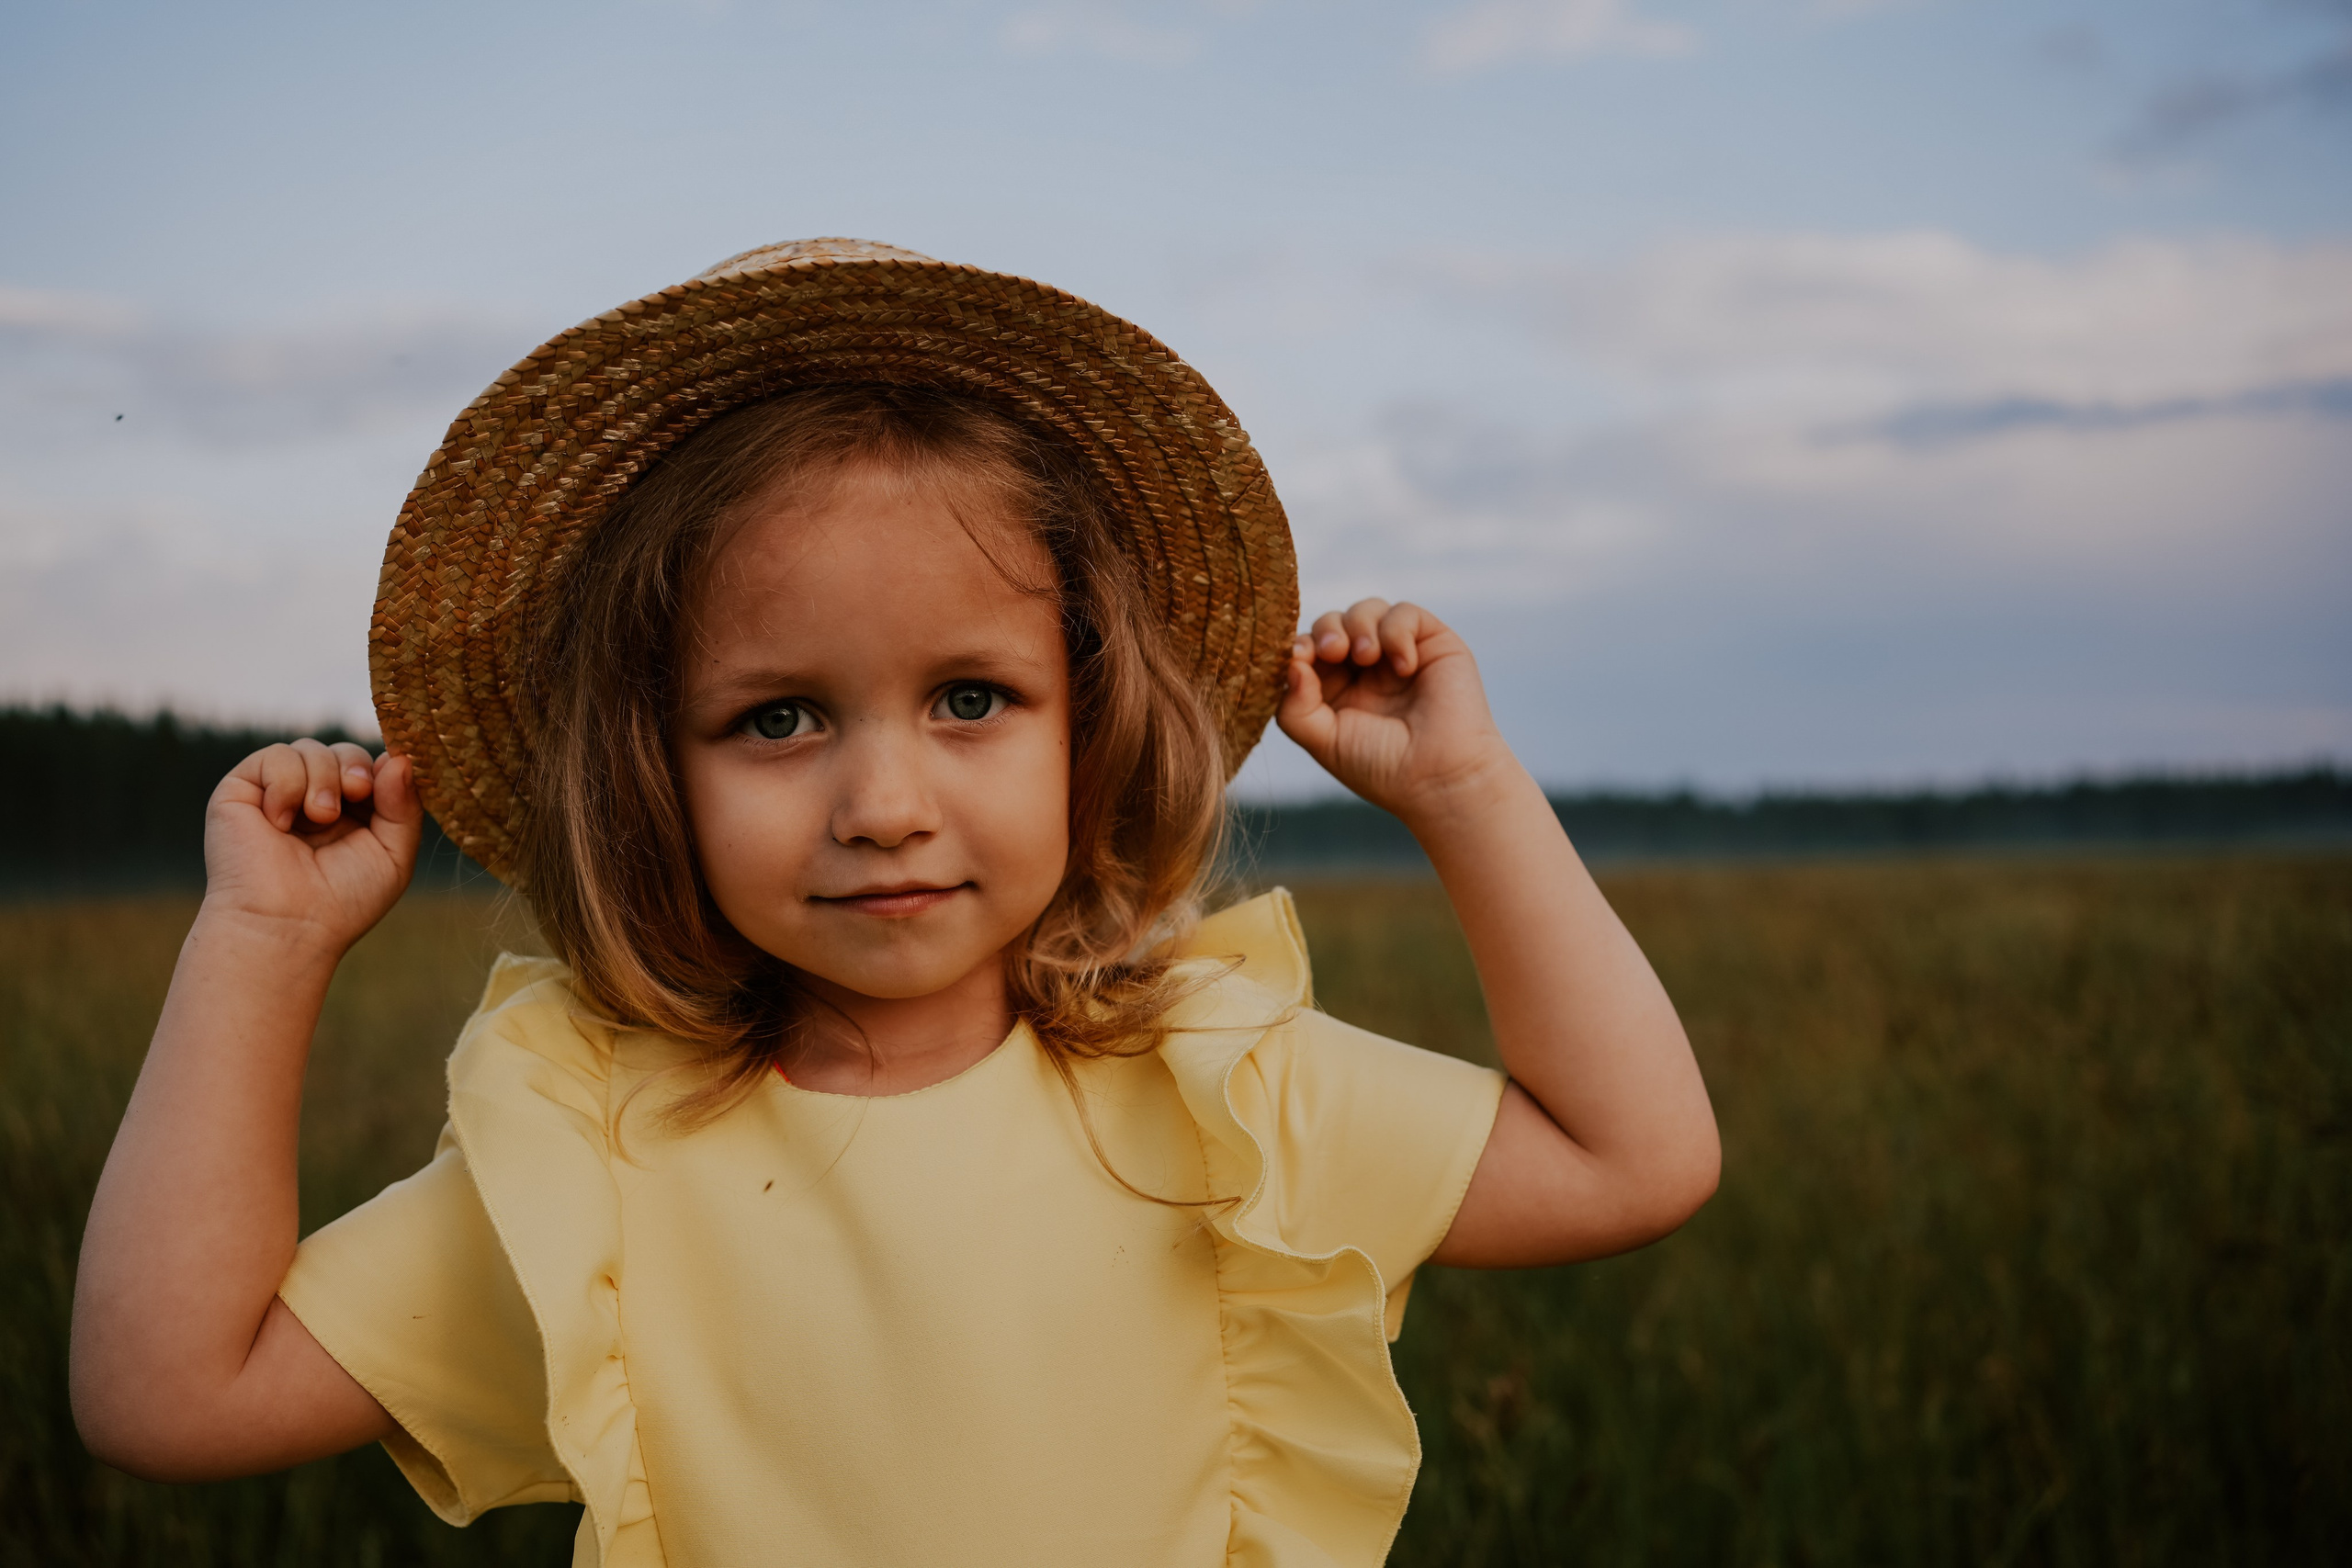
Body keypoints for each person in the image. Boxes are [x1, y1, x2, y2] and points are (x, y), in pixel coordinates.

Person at [70, 239, 1719, 1567]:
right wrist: (263, 949)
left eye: (972, 699)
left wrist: (1469, 797)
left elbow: (1631, 1159)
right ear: (656, 775)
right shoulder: (597, 1166)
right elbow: (169, 1398)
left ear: (1091, 724)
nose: (884, 805)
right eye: (777, 718)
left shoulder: (1216, 1087)